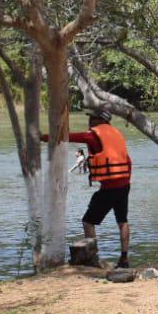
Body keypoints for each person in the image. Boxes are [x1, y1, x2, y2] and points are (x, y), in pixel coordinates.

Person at [48, 111, 133, 268]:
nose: (89, 121)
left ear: (99, 120)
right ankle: (124, 258)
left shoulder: (93, 136)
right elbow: (128, 160)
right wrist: (125, 181)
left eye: (92, 118)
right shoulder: (117, 134)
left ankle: (93, 258)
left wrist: (43, 137)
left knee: (88, 222)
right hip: (124, 185)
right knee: (122, 221)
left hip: (109, 188)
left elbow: (68, 137)